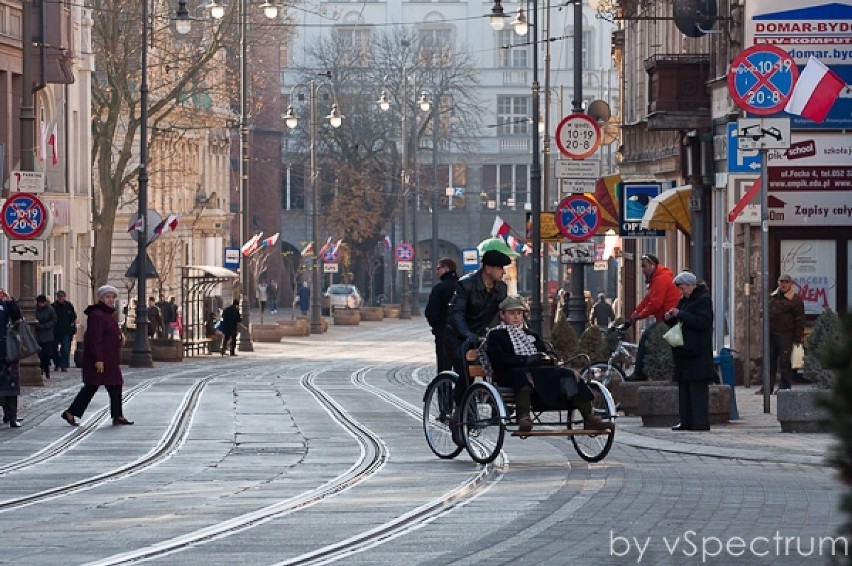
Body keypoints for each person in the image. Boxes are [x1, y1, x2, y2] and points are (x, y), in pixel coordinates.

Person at [485, 296, 613, 432]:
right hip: (509, 373)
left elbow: (546, 352)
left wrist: (549, 358)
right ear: (502, 314)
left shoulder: (531, 334)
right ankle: (523, 417)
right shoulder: (496, 335)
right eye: (512, 313)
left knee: (569, 375)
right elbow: (498, 359)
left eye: (519, 313)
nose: (516, 317)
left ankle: (590, 417)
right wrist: (525, 360)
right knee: (523, 376)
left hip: (539, 371)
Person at [444, 249, 510, 444]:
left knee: (502, 361)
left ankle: (496, 401)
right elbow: (456, 314)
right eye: (499, 268)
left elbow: (502, 314)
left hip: (481, 336)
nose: (503, 273)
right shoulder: (466, 285)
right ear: (487, 268)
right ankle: (458, 416)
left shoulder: (501, 288)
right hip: (457, 337)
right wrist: (467, 334)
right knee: (467, 373)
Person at [61, 285, 133, 427]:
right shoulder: (97, 315)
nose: (111, 299)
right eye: (107, 297)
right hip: (101, 359)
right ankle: (71, 412)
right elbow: (95, 338)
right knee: (92, 387)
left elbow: (108, 332)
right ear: (101, 298)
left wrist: (119, 336)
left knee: (114, 385)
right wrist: (98, 359)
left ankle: (117, 415)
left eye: (112, 297)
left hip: (110, 359)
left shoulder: (107, 314)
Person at [664, 271, 714, 431]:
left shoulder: (703, 300)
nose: (681, 290)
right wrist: (671, 317)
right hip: (684, 350)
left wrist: (681, 314)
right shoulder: (683, 301)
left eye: (683, 287)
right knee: (684, 387)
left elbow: (703, 321)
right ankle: (686, 420)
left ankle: (700, 422)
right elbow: (680, 321)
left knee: (697, 388)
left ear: (691, 285)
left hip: (697, 350)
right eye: (680, 287)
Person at [629, 253, 680, 381]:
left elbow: (655, 303)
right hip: (667, 317)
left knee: (647, 336)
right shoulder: (656, 280)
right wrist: (634, 314)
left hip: (670, 317)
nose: (643, 270)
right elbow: (647, 300)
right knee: (675, 346)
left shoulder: (661, 279)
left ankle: (639, 373)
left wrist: (639, 316)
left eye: (644, 266)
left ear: (652, 265)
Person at [759, 273, 806, 395]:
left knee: (785, 362)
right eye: (781, 282)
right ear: (778, 283)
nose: (783, 284)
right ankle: (767, 387)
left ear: (790, 284)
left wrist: (797, 337)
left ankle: (784, 387)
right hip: (771, 333)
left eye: (786, 282)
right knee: (769, 361)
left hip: (786, 334)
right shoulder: (772, 296)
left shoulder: (795, 300)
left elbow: (800, 320)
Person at [424, 257, 459, 373]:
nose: (436, 271)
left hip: (443, 332)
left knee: (444, 368)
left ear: (446, 268)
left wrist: (437, 326)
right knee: (462, 368)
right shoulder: (463, 285)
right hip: (463, 334)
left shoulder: (439, 288)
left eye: (438, 268)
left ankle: (444, 390)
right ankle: (463, 391)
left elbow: (430, 312)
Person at [0, 289, 23, 427]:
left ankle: (11, 416)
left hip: (7, 352)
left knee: (10, 386)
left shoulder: (5, 305)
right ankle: (8, 414)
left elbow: (17, 316)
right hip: (5, 351)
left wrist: (10, 301)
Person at [52, 290, 77, 372]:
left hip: (66, 331)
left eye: (62, 297)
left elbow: (73, 317)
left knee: (65, 349)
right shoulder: (53, 306)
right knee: (54, 349)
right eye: (59, 297)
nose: (61, 298)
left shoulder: (69, 305)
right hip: (55, 331)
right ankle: (57, 364)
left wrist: (71, 327)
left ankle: (64, 365)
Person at [34, 294, 57, 380]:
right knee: (39, 354)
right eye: (39, 303)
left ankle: (47, 370)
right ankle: (40, 369)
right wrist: (38, 324)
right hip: (38, 334)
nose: (41, 304)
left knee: (46, 355)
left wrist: (46, 325)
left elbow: (54, 320)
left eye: (42, 303)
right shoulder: (34, 309)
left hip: (47, 335)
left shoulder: (50, 309)